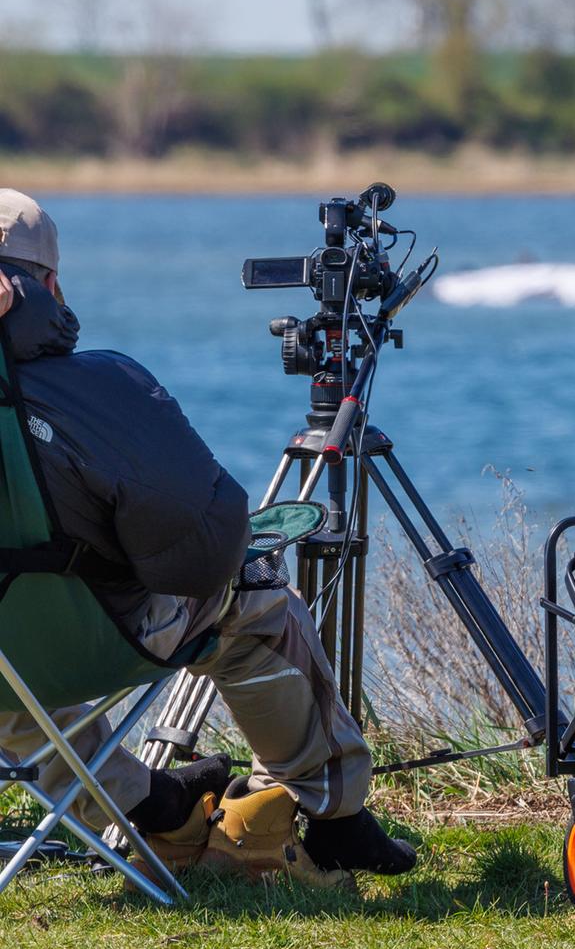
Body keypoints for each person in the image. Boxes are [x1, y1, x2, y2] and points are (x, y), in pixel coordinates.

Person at [0, 189, 415, 887]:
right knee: (253, 592)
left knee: (14, 673)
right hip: (99, 639)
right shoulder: (99, 386)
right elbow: (205, 550)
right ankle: (327, 815)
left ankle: (158, 807)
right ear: (48, 284)